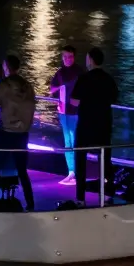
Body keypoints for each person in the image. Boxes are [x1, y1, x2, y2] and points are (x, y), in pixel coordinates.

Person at [0, 55, 36, 211]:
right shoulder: (28, 86)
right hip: (22, 133)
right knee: (22, 170)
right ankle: (30, 202)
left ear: (6, 67)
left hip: (5, 132)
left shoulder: (3, 85)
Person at [70, 47, 119, 205]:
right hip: (104, 123)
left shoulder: (84, 78)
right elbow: (114, 99)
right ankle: (108, 194)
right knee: (105, 159)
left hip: (86, 124)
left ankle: (80, 198)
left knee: (80, 159)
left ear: (90, 60)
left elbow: (74, 101)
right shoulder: (108, 79)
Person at [48, 45, 86, 186]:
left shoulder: (80, 72)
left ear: (73, 57)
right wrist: (61, 87)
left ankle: (77, 172)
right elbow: (52, 89)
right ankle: (71, 172)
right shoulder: (60, 73)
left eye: (69, 56)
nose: (67, 59)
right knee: (68, 142)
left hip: (76, 111)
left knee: (76, 141)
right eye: (64, 56)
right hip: (63, 111)